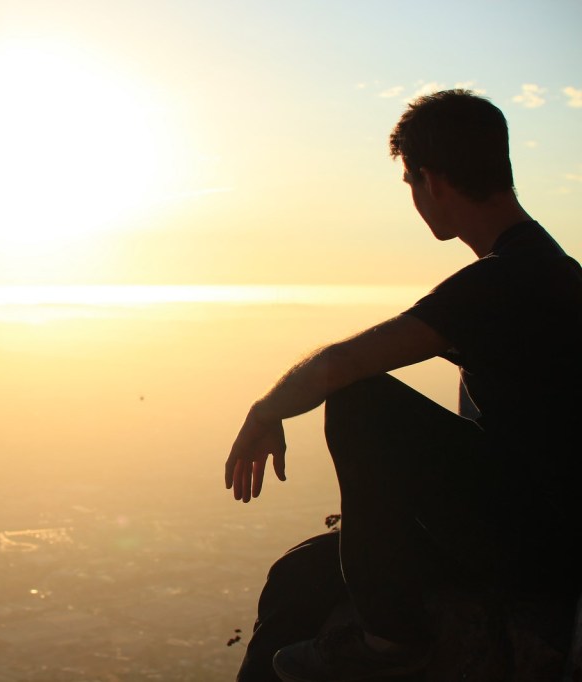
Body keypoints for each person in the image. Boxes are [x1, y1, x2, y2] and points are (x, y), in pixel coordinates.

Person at [226, 89, 582, 682]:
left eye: (410, 182)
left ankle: (389, 639)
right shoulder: (547, 268)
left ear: (432, 182)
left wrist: (265, 411)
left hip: (539, 546)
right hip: (534, 526)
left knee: (360, 401)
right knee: (302, 573)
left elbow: (340, 366)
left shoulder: (506, 280)